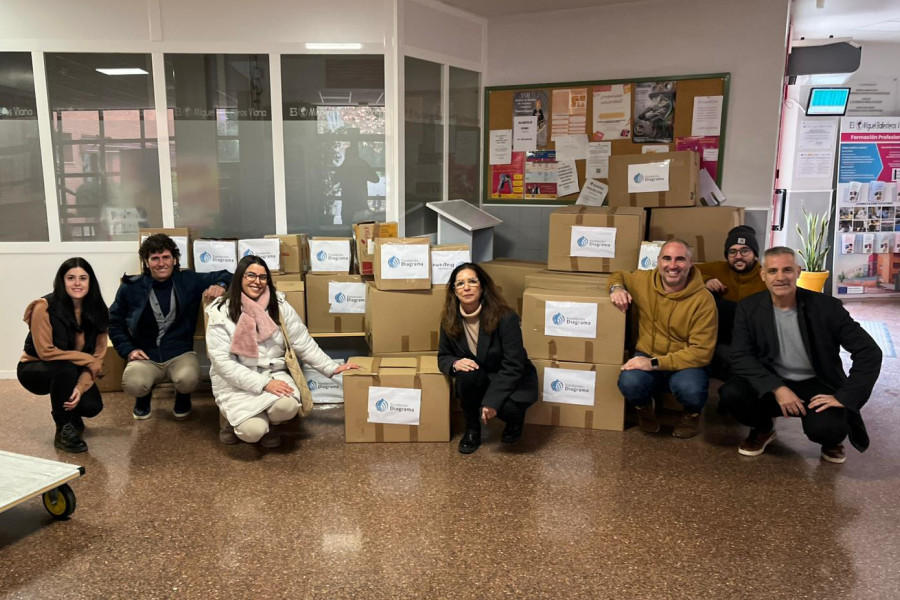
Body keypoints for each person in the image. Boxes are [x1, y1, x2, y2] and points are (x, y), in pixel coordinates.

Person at [720, 247, 882, 463]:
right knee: (733, 392)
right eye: (773, 271)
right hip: (772, 380)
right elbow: (740, 355)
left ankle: (831, 441)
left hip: (817, 383)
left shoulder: (827, 307)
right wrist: (776, 387)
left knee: (829, 428)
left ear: (798, 272)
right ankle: (763, 428)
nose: (780, 277)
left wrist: (845, 396)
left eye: (787, 270)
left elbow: (869, 352)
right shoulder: (749, 308)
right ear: (762, 275)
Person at [206, 256, 359, 447]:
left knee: (287, 406)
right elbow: (223, 363)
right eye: (251, 275)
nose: (257, 281)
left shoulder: (278, 305)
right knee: (252, 432)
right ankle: (232, 422)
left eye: (263, 277)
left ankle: (273, 424)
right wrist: (263, 384)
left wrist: (331, 367)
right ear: (239, 278)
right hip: (236, 381)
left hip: (274, 372)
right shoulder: (221, 313)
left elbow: (301, 341)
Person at [109, 233, 231, 420]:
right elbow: (114, 322)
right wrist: (129, 350)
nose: (161, 263)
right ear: (146, 262)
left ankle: (183, 398)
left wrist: (221, 285)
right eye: (155, 258)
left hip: (180, 352)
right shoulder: (130, 287)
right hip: (145, 354)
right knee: (134, 383)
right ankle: (143, 397)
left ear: (174, 259)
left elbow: (227, 274)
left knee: (188, 379)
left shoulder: (188, 280)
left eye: (166, 257)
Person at [609, 239, 718, 438]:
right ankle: (644, 409)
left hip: (686, 361)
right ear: (658, 261)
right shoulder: (644, 281)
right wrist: (616, 288)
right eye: (667, 258)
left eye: (680, 259)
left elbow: (701, 352)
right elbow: (618, 275)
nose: (672, 265)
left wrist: (654, 363)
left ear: (691, 263)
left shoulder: (704, 299)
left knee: (691, 389)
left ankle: (691, 414)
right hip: (648, 352)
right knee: (629, 382)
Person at [437, 263, 538, 454]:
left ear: (482, 286)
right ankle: (472, 429)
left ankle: (515, 421)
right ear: (454, 291)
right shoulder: (449, 319)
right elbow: (443, 356)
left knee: (508, 408)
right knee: (465, 374)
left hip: (510, 378)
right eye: (460, 284)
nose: (466, 287)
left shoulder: (505, 317)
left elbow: (513, 365)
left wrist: (492, 400)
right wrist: (454, 363)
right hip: (479, 377)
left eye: (472, 282)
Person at [17, 258, 109, 453]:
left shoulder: (99, 310)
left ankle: (73, 412)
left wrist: (80, 386)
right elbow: (46, 351)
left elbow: (98, 357)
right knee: (65, 369)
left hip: (70, 370)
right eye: (71, 278)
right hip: (34, 368)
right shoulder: (44, 306)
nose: (77, 283)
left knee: (92, 406)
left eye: (83, 278)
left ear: (90, 282)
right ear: (62, 281)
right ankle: (63, 428)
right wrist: (88, 360)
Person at [696, 225, 768, 380]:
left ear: (755, 254)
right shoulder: (717, 268)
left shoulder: (766, 276)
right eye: (732, 252)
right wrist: (705, 281)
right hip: (722, 340)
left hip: (753, 341)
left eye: (745, 251)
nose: (738, 256)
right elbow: (685, 270)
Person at [335, 144, 379, 225]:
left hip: (349, 205)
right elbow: (375, 179)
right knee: (362, 232)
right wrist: (364, 163)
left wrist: (344, 164)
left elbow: (334, 180)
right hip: (360, 205)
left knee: (347, 230)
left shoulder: (344, 168)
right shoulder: (361, 168)